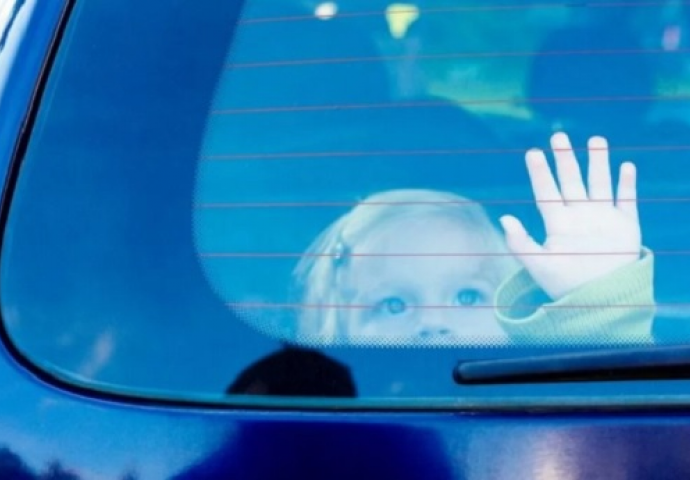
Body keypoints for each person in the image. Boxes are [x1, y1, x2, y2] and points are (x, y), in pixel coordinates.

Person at [291, 132, 654, 345]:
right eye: (394, 305)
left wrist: (598, 308)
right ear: (337, 332)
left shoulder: (533, 394)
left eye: (467, 297)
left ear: (514, 319)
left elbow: (611, 394)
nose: (433, 324)